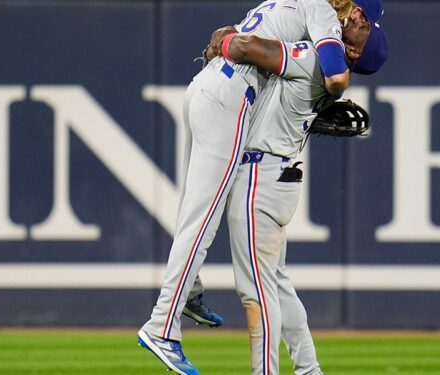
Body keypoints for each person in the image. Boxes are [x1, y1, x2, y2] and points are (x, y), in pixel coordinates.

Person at [136, 2, 357, 375]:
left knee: (194, 211)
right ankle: (162, 325)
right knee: (203, 220)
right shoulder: (319, 8)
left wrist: (224, 42)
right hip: (232, 97)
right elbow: (335, 74)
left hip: (206, 84)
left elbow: (227, 35)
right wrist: (330, 92)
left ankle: (187, 294)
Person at [219, 18, 387, 375]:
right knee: (275, 284)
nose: (354, 19)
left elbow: (249, 49)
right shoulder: (325, 69)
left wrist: (223, 40)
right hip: (276, 178)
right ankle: (309, 370)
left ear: (355, 51)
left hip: (259, 178)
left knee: (257, 292)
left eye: (362, 29)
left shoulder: (314, 58)